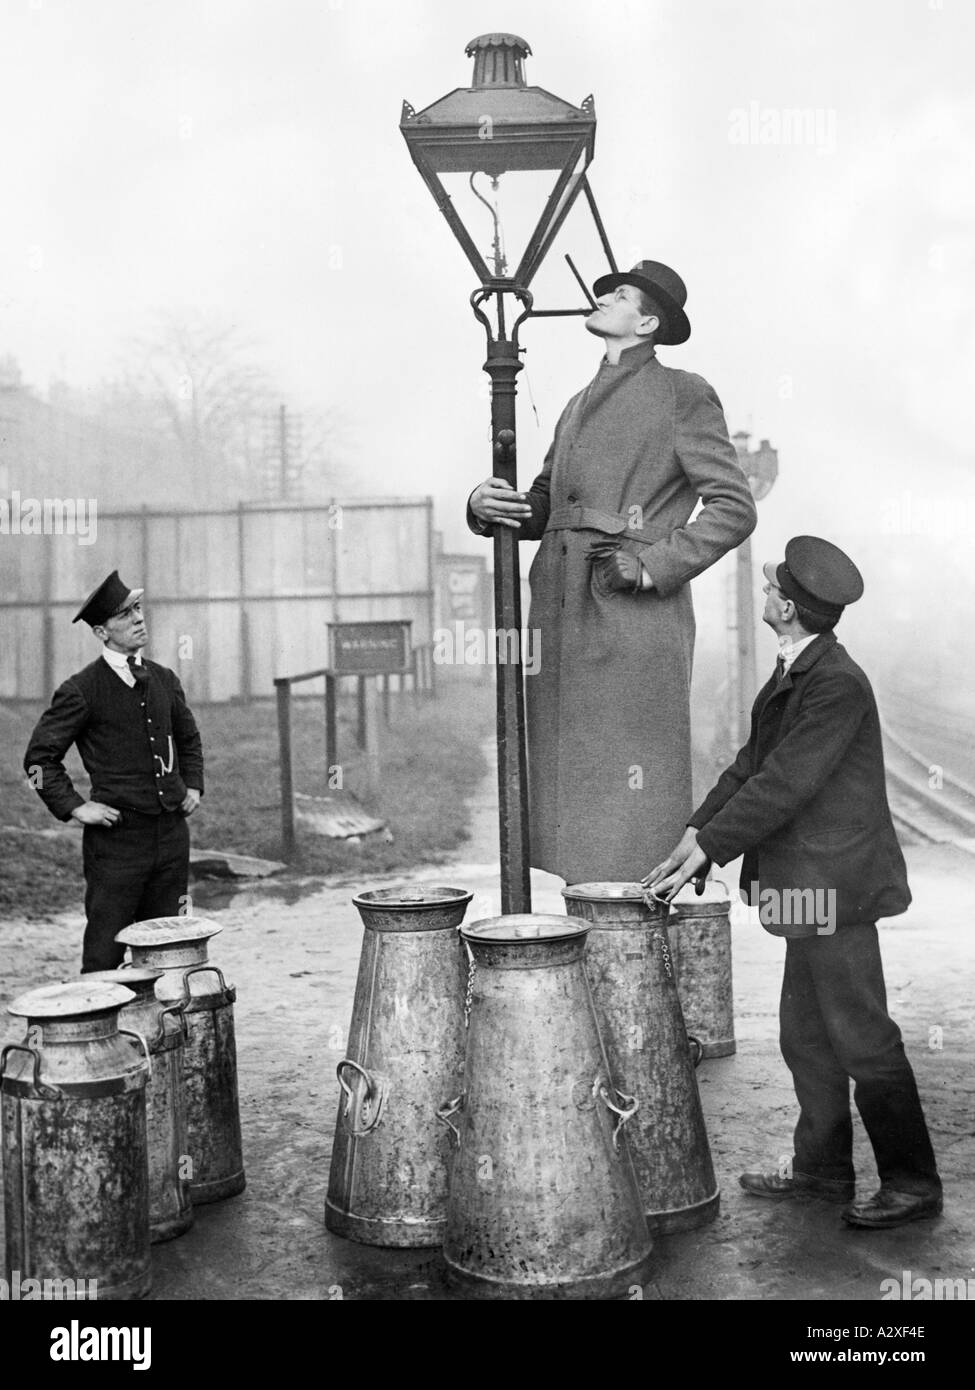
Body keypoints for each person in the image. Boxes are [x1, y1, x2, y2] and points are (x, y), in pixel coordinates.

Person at [644, 536, 942, 1229]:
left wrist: (713, 847)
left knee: (862, 1035)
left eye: (774, 588)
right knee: (805, 1035)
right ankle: (820, 1169)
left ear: (788, 607)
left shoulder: (834, 683)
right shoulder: (794, 672)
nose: (767, 592)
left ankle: (911, 1181)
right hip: (805, 887)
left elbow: (786, 783)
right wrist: (696, 832)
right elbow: (750, 766)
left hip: (837, 888)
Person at [468, 259, 757, 882]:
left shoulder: (683, 391)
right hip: (560, 612)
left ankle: (637, 940)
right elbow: (545, 504)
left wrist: (653, 566)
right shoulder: (575, 403)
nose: (602, 297)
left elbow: (734, 507)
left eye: (619, 294)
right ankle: (593, 941)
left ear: (647, 322)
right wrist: (486, 505)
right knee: (572, 795)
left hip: (629, 617)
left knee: (630, 801)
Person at [24, 570, 204, 973]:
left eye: (138, 608)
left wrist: (193, 785)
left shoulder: (164, 679)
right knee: (106, 953)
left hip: (172, 837)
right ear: (102, 632)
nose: (139, 619)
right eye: (125, 615)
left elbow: (189, 739)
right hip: (116, 845)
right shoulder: (81, 690)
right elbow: (37, 762)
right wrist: (74, 808)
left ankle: (163, 1034)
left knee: (171, 947)